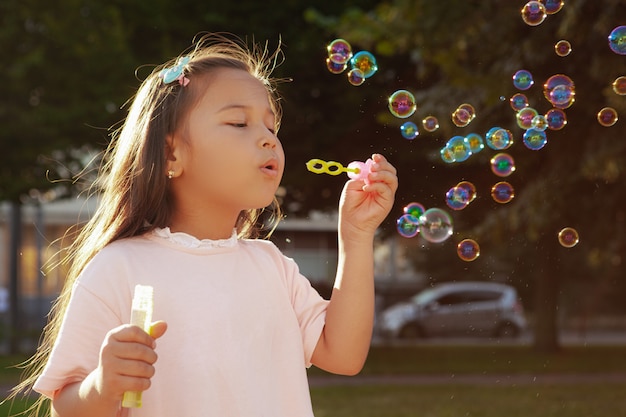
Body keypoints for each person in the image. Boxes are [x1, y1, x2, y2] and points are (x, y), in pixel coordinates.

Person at [15, 34, 398, 417]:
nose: (268, 139)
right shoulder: (120, 268)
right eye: (238, 122)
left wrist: (356, 236)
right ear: (171, 154)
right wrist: (103, 384)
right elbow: (65, 404)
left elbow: (344, 354)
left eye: (271, 127)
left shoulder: (271, 266)